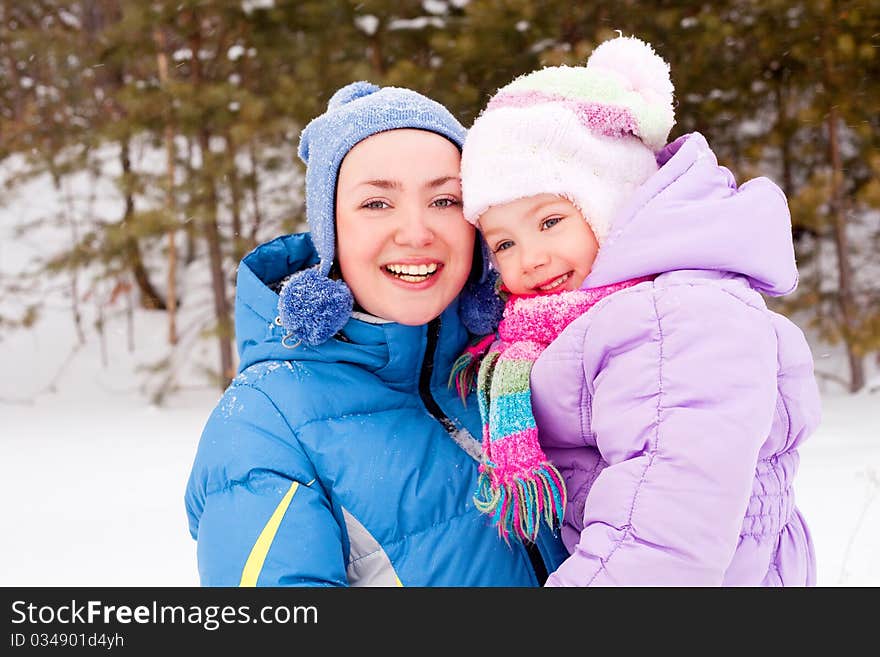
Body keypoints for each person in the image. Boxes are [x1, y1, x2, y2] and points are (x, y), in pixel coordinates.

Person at [457, 35, 821, 585]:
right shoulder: (590, 320)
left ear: (612, 203)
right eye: (503, 243)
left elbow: (659, 532)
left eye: (551, 220)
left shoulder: (675, 320)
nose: (529, 259)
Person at [184, 81, 567, 586]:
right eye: (377, 204)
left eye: (445, 200)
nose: (415, 232)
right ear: (331, 231)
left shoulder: (526, 363)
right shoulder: (264, 426)